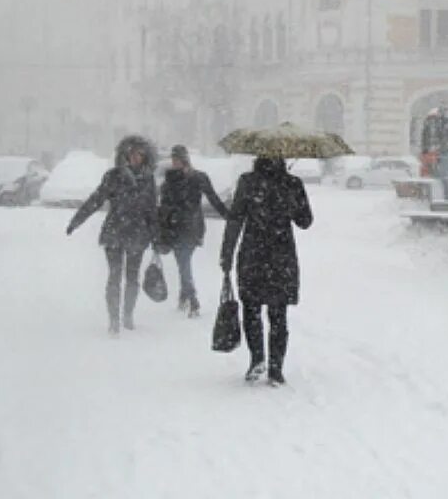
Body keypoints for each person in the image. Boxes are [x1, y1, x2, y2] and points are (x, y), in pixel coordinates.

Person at [220, 157, 313, 386]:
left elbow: (236, 219)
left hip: (256, 255)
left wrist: (227, 254)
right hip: (277, 257)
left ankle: (261, 362)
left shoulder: (252, 182)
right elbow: (305, 220)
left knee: (257, 312)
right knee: (275, 314)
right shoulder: (288, 184)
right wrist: (289, 202)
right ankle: (272, 367)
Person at [66, 135, 158, 334]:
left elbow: (152, 209)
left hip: (138, 233)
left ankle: (128, 315)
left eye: (140, 154)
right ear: (125, 154)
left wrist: (156, 236)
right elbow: (96, 200)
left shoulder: (148, 179)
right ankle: (114, 319)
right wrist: (76, 221)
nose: (136, 158)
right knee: (114, 276)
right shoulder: (113, 176)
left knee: (132, 277)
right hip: (115, 232)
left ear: (145, 157)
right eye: (132, 153)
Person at [158, 144, 229, 317]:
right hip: (175, 228)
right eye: (173, 160)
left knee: (184, 261)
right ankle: (184, 295)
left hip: (191, 227)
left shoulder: (198, 178)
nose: (175, 163)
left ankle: (192, 300)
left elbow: (213, 198)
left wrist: (228, 216)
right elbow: (163, 207)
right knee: (181, 262)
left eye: (178, 159)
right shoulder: (168, 181)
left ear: (185, 159)